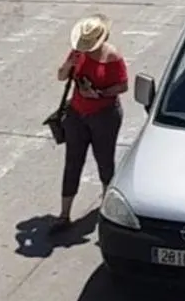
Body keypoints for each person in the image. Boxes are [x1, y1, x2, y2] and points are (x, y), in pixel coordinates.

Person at [52, 15, 128, 232]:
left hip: (104, 115)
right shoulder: (78, 54)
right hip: (77, 114)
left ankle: (107, 207)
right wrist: (69, 64)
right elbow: (61, 76)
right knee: (72, 162)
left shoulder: (112, 57)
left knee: (104, 161)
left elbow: (122, 86)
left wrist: (100, 93)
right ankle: (64, 214)